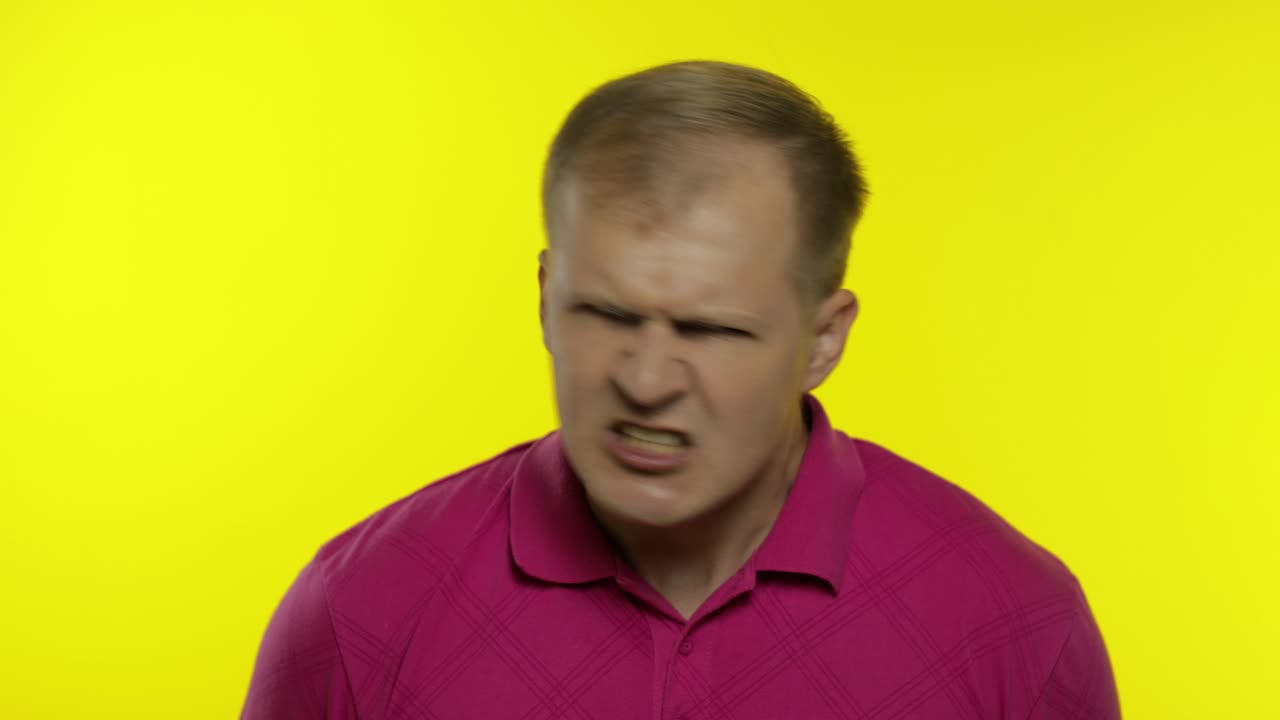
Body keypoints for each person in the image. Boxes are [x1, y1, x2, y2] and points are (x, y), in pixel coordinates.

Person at [241, 60, 1121, 719]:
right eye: (604, 313)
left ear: (824, 338)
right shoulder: (361, 606)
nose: (647, 381)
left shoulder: (1014, 622)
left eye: (711, 330)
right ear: (545, 300)